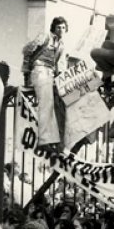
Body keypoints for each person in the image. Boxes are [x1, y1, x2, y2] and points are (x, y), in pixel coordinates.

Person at [22, 16, 69, 151]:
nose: (61, 30)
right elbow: (27, 49)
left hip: (50, 74)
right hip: (40, 70)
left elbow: (60, 66)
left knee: (51, 106)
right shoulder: (45, 37)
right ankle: (43, 141)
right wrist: (26, 70)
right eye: (58, 27)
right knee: (45, 105)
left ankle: (51, 140)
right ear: (53, 28)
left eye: (64, 27)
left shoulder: (61, 44)